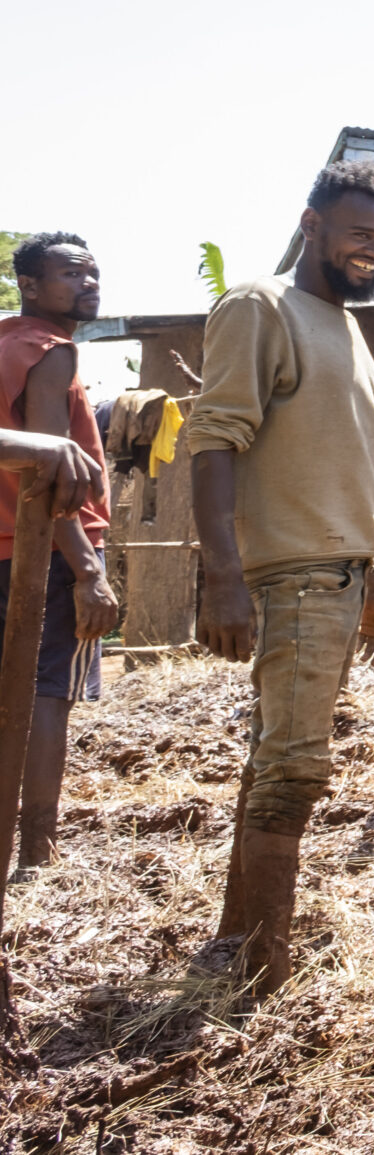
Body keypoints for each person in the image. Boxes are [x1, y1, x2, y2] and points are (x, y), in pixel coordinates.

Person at [188, 162, 374, 993]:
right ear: (311, 224)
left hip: (341, 572)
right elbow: (213, 438)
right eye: (359, 234)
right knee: (294, 767)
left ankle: (239, 938)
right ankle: (263, 963)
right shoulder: (259, 305)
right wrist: (221, 575)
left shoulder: (345, 325)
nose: (373, 251)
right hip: (295, 575)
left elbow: (344, 469)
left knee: (273, 757)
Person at [0, 234, 119, 871]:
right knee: (49, 696)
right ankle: (38, 854)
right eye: (71, 274)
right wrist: (87, 570)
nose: (88, 283)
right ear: (31, 284)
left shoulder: (6, 344)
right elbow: (49, 472)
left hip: (7, 549)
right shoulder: (51, 353)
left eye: (93, 272)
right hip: (45, 554)